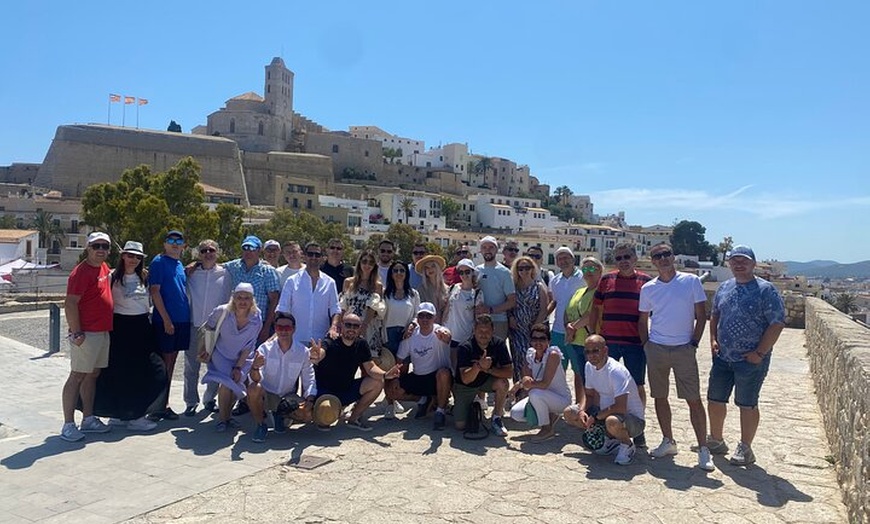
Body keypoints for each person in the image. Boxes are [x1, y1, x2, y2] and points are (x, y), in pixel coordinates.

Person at [708, 245, 785, 466]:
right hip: (723, 357)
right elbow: (715, 314)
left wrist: (760, 352)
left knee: (747, 403)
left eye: (744, 261)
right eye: (735, 260)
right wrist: (713, 339)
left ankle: (745, 447)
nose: (739, 264)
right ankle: (716, 440)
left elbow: (777, 323)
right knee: (715, 399)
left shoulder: (765, 290)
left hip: (750, 360)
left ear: (753, 263)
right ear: (729, 263)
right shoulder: (724, 287)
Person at [638, 242, 713, 471]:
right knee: (660, 397)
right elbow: (642, 320)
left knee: (693, 399)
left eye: (666, 254)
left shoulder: (690, 282)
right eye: (658, 256)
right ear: (653, 261)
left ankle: (703, 448)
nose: (663, 259)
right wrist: (647, 345)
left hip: (683, 348)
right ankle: (668, 441)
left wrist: (693, 344)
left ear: (673, 257)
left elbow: (701, 316)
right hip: (657, 348)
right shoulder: (648, 289)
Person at [94, 241, 164, 432]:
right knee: (119, 372)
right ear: (123, 256)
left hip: (141, 326)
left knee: (149, 370)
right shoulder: (111, 277)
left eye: (137, 257)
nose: (133, 259)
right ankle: (119, 414)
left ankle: (137, 413)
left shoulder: (144, 277)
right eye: (130, 255)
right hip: (119, 327)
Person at [591, 241, 651, 448]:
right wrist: (594, 334)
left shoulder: (646, 281)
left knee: (637, 385)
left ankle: (638, 426)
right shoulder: (606, 280)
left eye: (627, 257)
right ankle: (608, 425)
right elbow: (596, 309)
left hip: (635, 342)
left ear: (635, 258)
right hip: (610, 343)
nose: (623, 261)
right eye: (619, 258)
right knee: (606, 385)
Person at [60, 232, 115, 441]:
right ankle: (67, 424)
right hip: (86, 333)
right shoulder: (80, 273)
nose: (100, 250)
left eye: (104, 246)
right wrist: (76, 332)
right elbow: (70, 303)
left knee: (92, 374)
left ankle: (88, 418)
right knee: (77, 375)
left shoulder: (103, 268)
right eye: (96, 246)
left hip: (101, 331)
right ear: (88, 248)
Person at [563, 335, 646, 466]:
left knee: (612, 421)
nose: (591, 355)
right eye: (588, 351)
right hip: (603, 412)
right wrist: (582, 411)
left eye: (595, 350)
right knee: (570, 413)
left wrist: (595, 417)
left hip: (631, 419)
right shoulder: (589, 367)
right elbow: (589, 395)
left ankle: (627, 444)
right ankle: (610, 440)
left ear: (605, 350)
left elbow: (620, 407)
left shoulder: (616, 371)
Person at [315, 312, 402, 431]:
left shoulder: (361, 344)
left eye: (355, 326)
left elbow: (370, 368)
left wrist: (385, 374)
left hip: (346, 389)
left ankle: (353, 419)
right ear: (341, 326)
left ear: (359, 328)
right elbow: (321, 353)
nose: (351, 329)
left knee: (377, 382)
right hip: (326, 392)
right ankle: (332, 411)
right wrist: (316, 354)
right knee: (325, 418)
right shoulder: (331, 340)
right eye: (348, 325)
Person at [246, 312, 320, 442]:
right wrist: (255, 367)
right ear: (275, 328)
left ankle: (279, 416)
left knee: (307, 415)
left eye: (287, 328)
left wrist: (309, 400)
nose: (283, 331)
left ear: (294, 329)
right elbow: (255, 379)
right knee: (253, 389)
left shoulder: (302, 352)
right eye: (280, 328)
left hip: (287, 397)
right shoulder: (265, 349)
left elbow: (309, 378)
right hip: (267, 395)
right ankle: (261, 425)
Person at [200, 283, 263, 432]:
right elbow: (208, 328)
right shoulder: (222, 311)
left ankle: (227, 416)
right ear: (233, 298)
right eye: (239, 297)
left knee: (236, 382)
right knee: (226, 383)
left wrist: (238, 367)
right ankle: (222, 420)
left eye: (246, 298)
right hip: (222, 354)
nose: (242, 301)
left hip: (243, 358)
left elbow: (250, 345)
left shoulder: (256, 317)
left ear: (252, 300)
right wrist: (204, 348)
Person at [384, 303, 454, 429]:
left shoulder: (439, 331)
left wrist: (445, 336)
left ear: (434, 318)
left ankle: (440, 411)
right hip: (419, 376)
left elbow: (447, 336)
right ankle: (423, 399)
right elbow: (400, 359)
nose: (425, 319)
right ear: (417, 318)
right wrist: (395, 378)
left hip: (437, 377)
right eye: (422, 316)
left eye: (429, 316)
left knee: (444, 373)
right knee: (391, 391)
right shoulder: (410, 336)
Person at [184, 239, 232, 416]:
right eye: (203, 250)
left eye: (211, 250)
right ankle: (190, 402)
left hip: (216, 328)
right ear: (199, 254)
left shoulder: (227, 273)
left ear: (217, 252)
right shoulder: (190, 273)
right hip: (194, 325)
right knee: (191, 368)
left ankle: (209, 399)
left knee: (215, 367)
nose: (208, 253)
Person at [148, 229, 191, 421]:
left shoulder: (179, 264)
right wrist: (166, 319)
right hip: (167, 321)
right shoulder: (158, 262)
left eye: (178, 240)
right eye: (171, 240)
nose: (175, 243)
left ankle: (163, 404)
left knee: (171, 363)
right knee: (163, 364)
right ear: (165, 244)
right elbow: (155, 292)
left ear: (184, 246)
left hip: (182, 320)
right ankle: (158, 405)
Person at [508, 323, 571, 441]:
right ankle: (551, 415)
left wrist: (519, 385)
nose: (538, 342)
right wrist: (524, 380)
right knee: (516, 413)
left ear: (548, 340)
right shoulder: (530, 354)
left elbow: (544, 384)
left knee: (535, 393)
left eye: (542, 339)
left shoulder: (553, 354)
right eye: (534, 339)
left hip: (560, 399)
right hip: (542, 396)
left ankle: (547, 429)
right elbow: (526, 376)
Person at [453, 315, 513, 435]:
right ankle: (469, 403)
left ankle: (496, 417)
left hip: (486, 380)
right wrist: (479, 366)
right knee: (460, 426)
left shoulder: (499, 344)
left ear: (493, 331)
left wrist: (489, 370)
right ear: (474, 331)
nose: (484, 334)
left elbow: (509, 372)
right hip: (467, 386)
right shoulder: (465, 347)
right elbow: (465, 379)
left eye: (487, 331)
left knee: (503, 383)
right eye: (480, 331)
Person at [277, 241, 342, 344]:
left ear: (322, 257)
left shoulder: (330, 282)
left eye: (317, 255)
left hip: (320, 341)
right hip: (295, 339)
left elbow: (335, 310)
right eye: (310, 254)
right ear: (304, 256)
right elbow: (283, 309)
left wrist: (333, 327)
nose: (313, 257)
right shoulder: (291, 281)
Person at [563, 256, 605, 404]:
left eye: (592, 268)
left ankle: (596, 411)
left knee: (595, 380)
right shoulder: (579, 291)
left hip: (591, 343)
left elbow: (591, 315)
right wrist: (568, 325)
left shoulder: (601, 291)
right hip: (576, 341)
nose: (588, 272)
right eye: (585, 269)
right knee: (582, 376)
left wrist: (572, 327)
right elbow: (568, 311)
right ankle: (585, 408)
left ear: (600, 271)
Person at [224, 235, 280, 344]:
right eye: (245, 248)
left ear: (259, 250)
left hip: (258, 323)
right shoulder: (234, 266)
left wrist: (266, 328)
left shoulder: (268, 272)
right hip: (236, 322)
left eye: (252, 249)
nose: (248, 252)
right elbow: (215, 267)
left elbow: (274, 300)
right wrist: (196, 264)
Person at [508, 256, 550, 386]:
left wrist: (535, 327)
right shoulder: (513, 287)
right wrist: (510, 317)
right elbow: (509, 304)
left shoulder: (539, 287)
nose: (524, 271)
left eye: (527, 267)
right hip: (517, 331)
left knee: (533, 359)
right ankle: (519, 388)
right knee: (518, 359)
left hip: (533, 331)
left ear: (533, 269)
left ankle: (531, 387)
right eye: (521, 268)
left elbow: (544, 309)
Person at [548, 247, 584, 379]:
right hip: (557, 331)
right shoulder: (555, 281)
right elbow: (555, 302)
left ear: (573, 259)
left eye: (566, 257)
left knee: (579, 370)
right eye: (560, 258)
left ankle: (581, 400)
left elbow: (596, 269)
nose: (563, 261)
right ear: (556, 262)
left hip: (578, 330)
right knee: (557, 369)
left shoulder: (583, 276)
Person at [340, 250, 385, 351]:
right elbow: (343, 306)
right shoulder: (348, 282)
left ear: (375, 266)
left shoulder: (377, 285)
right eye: (364, 261)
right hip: (349, 326)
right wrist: (340, 325)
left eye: (371, 262)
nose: (367, 265)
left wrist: (363, 327)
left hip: (368, 327)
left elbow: (373, 308)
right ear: (359, 262)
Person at [475, 236, 516, 341]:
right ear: (480, 250)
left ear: (496, 250)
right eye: (484, 247)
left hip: (499, 322)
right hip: (479, 321)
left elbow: (512, 301)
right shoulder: (476, 271)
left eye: (491, 247)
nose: (487, 250)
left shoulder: (505, 272)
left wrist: (491, 310)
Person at [443, 259, 484, 352]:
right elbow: (446, 309)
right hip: (448, 334)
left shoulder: (477, 293)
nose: (464, 275)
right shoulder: (453, 287)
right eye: (461, 272)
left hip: (465, 335)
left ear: (473, 272)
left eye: (467, 272)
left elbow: (478, 317)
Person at [383, 260, 421, 356]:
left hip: (406, 333)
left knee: (404, 365)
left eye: (402, 270)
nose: (399, 273)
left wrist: (412, 325)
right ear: (391, 274)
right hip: (388, 334)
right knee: (389, 365)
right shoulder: (384, 293)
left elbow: (417, 314)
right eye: (395, 271)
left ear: (406, 273)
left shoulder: (414, 294)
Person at [416, 254, 448, 324]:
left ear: (437, 268)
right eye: (427, 267)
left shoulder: (447, 289)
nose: (430, 269)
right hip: (428, 326)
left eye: (433, 266)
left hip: (446, 325)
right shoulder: (421, 290)